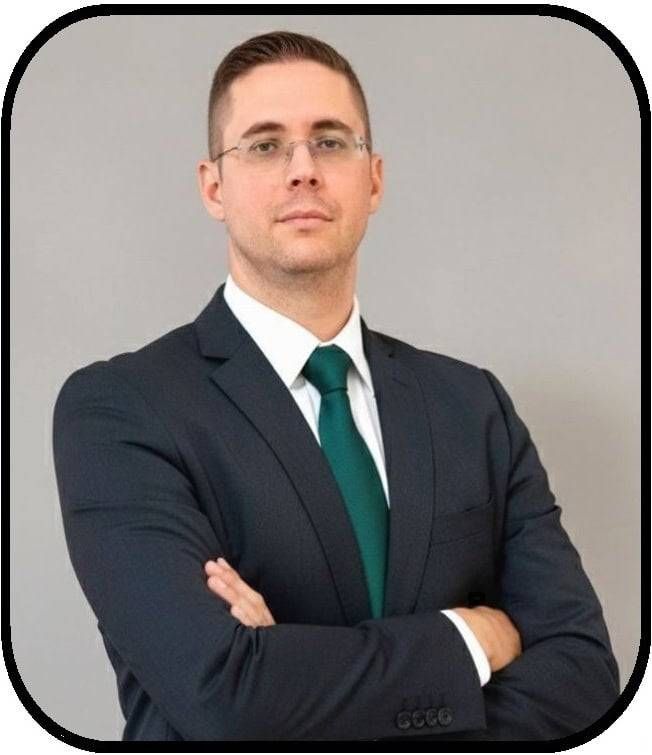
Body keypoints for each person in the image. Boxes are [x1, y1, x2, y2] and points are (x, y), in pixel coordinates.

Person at [52, 30, 619, 742]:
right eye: (265, 145)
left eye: (330, 141)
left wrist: (290, 674)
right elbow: (224, 695)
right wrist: (471, 639)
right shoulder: (121, 410)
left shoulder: (473, 408)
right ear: (213, 187)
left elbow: (586, 682)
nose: (303, 170)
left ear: (373, 179)